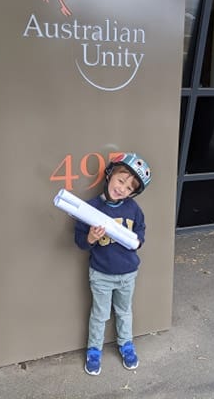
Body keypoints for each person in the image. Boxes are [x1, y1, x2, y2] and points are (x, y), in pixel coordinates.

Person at [74, 152, 151, 375]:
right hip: (101, 274)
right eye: (121, 180)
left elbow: (140, 231)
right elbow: (80, 242)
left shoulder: (134, 209)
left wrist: (138, 242)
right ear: (109, 175)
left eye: (129, 188)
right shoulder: (90, 208)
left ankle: (126, 344)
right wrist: (91, 238)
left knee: (124, 311)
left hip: (128, 273)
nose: (122, 189)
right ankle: (94, 350)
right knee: (99, 314)